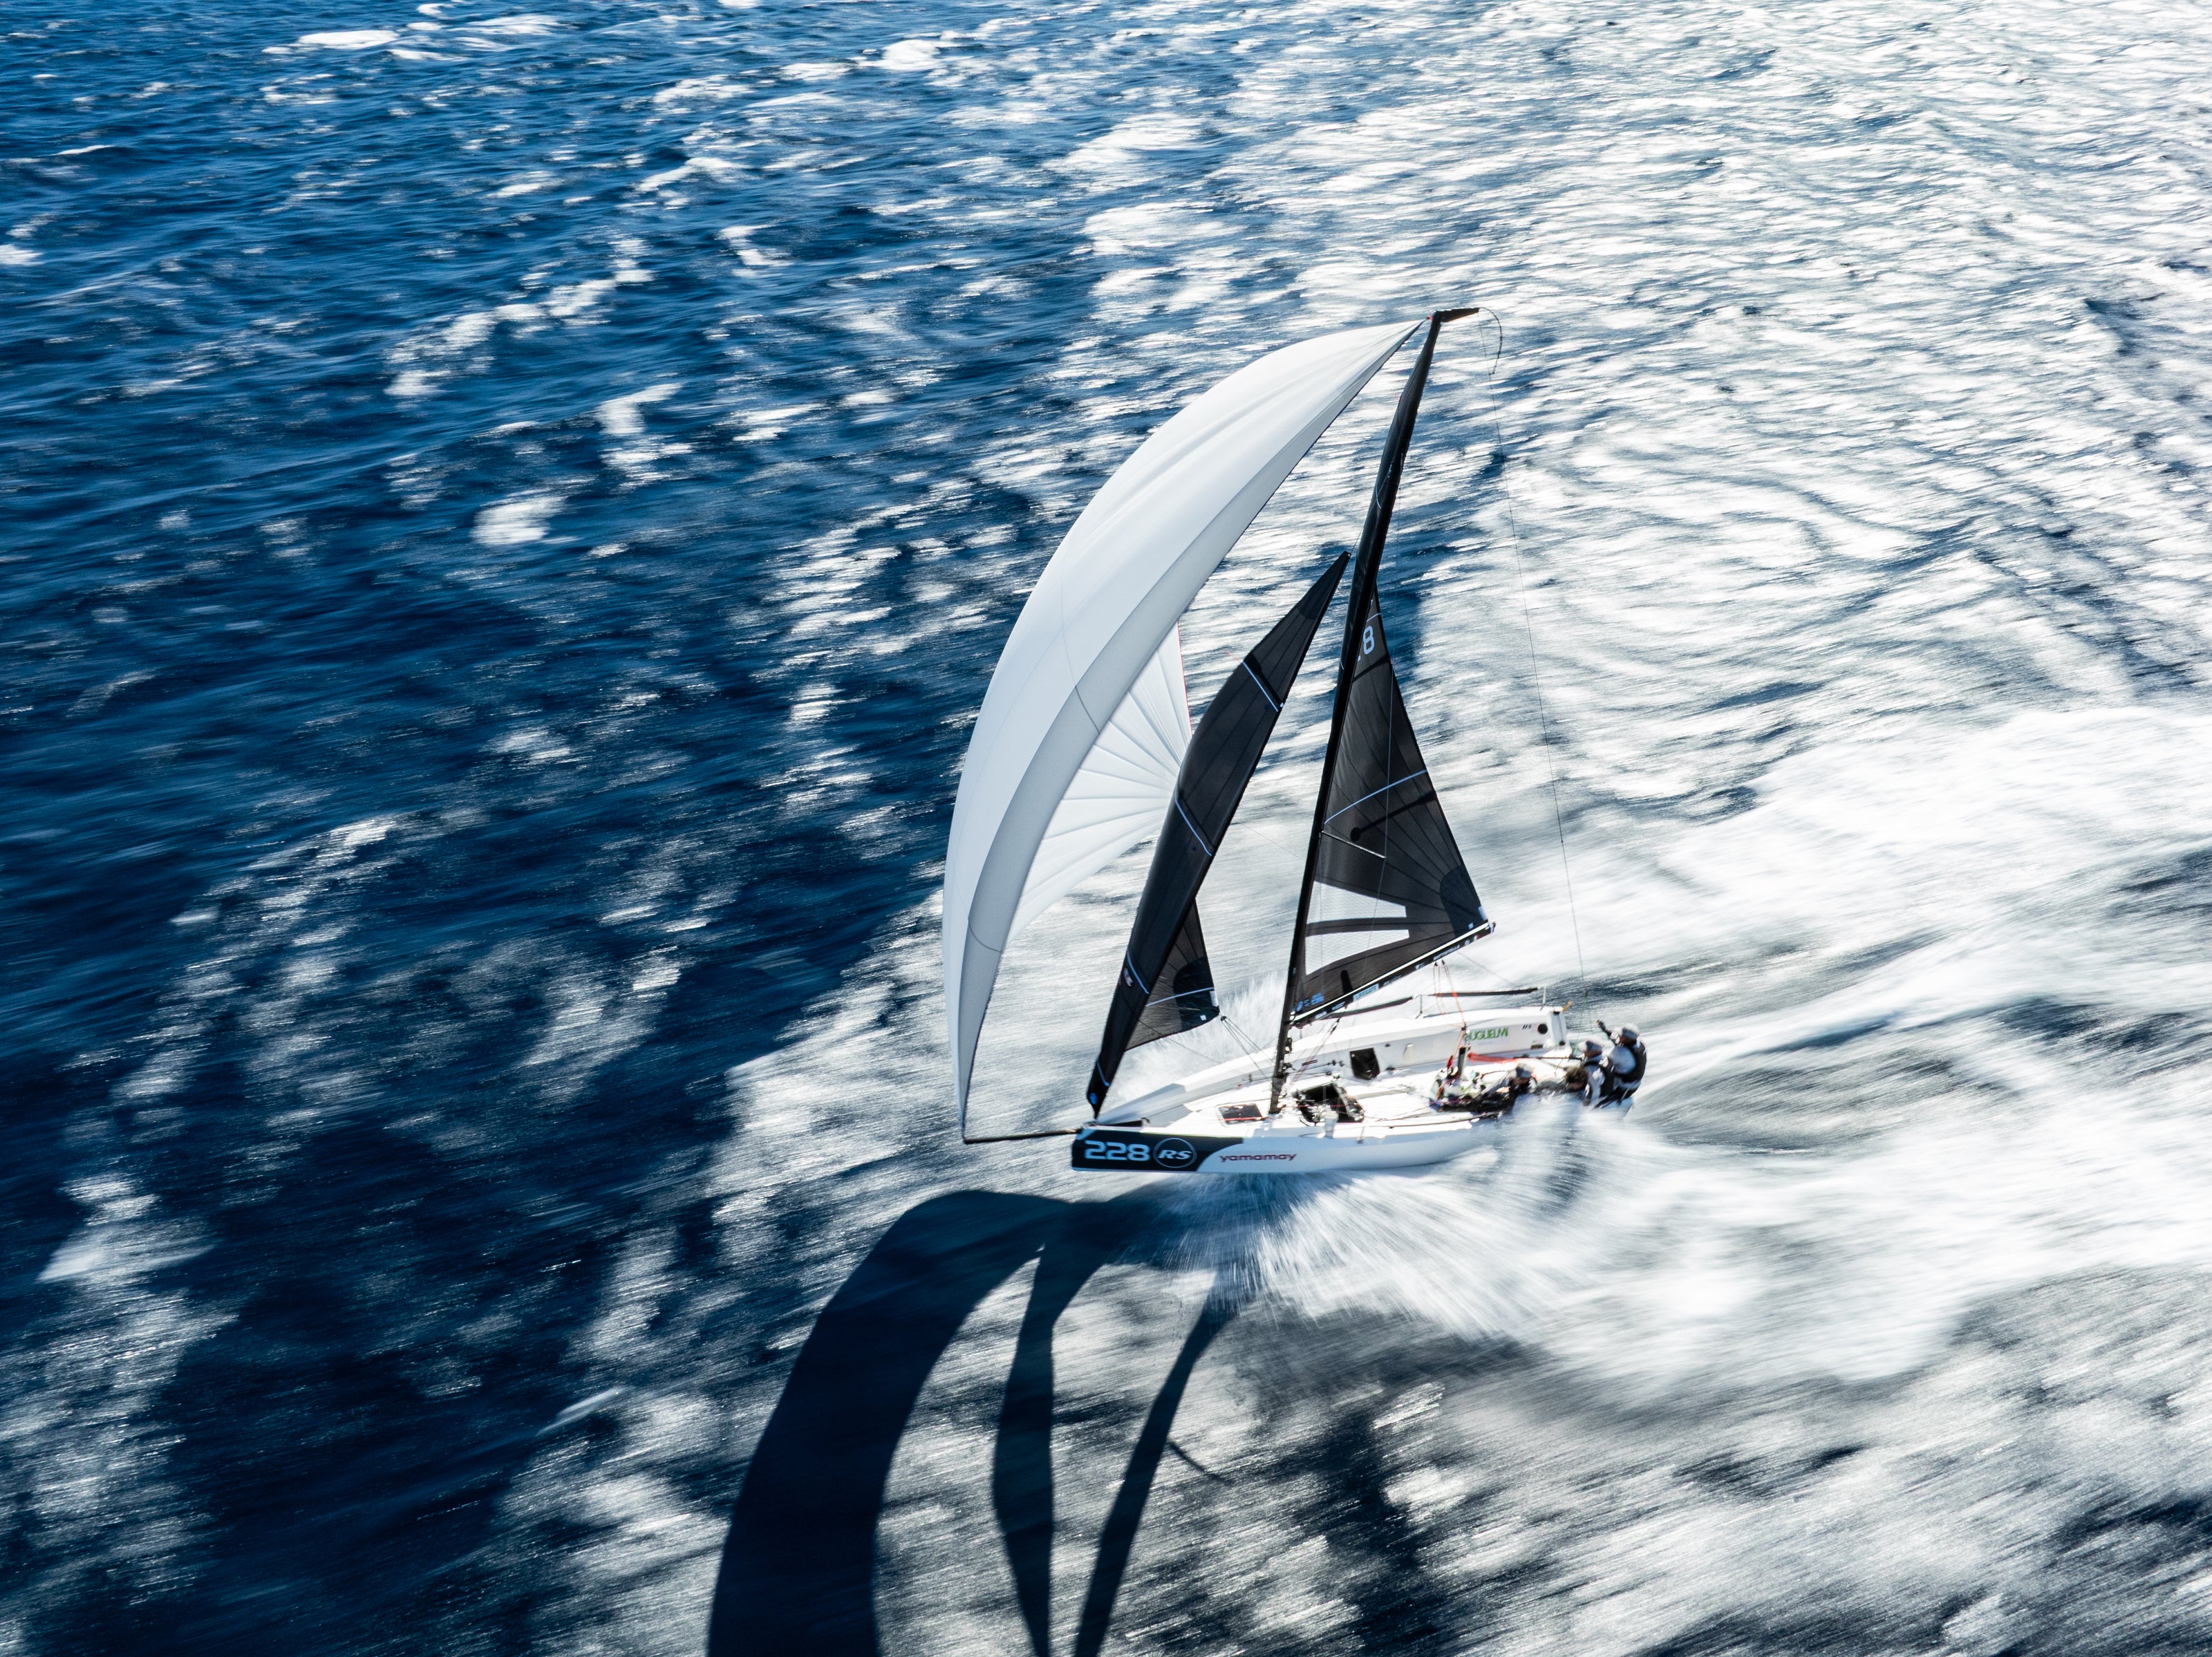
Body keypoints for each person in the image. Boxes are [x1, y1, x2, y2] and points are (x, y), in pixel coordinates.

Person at [1594, 1022, 1647, 1109]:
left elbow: (1603, 1062)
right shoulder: (1640, 1044)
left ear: (1628, 1039)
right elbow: (1618, 1041)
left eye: (1621, 1035)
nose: (1619, 1036)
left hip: (1624, 1086)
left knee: (1603, 1071)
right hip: (1635, 1084)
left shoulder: (1621, 1052)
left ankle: (1597, 1099)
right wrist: (1605, 1030)